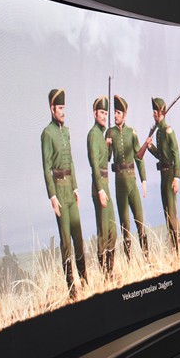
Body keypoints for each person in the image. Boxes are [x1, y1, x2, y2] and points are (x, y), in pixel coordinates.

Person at [41, 88, 87, 298]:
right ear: (52, 109)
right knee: (66, 241)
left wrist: (75, 187)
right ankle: (71, 289)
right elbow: (46, 167)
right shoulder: (47, 134)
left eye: (64, 108)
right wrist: (52, 196)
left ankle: (85, 281)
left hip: (70, 189)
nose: (63, 111)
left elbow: (72, 162)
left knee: (78, 236)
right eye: (60, 108)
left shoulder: (66, 131)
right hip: (59, 190)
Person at [107, 95, 149, 260]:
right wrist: (107, 145)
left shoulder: (132, 133)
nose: (115, 115)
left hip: (132, 181)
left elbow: (139, 157)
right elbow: (107, 158)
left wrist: (143, 180)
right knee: (125, 225)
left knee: (140, 220)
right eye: (115, 112)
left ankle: (146, 257)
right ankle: (129, 260)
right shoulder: (110, 133)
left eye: (118, 113)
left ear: (124, 115)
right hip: (120, 184)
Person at [146, 97, 180, 252]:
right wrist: (150, 147)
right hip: (163, 176)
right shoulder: (159, 132)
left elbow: (176, 155)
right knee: (166, 212)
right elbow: (161, 155)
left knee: (172, 213)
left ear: (160, 112)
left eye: (155, 111)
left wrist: (176, 178)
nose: (153, 114)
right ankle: (173, 246)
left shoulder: (167, 131)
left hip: (170, 174)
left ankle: (178, 248)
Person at [87, 96, 116, 280]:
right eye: (101, 113)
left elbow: (106, 160)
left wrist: (109, 146)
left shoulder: (102, 136)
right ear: (94, 113)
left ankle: (110, 273)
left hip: (106, 184)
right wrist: (100, 190)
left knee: (113, 230)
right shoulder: (93, 135)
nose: (104, 116)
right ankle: (105, 275)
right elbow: (95, 165)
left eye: (106, 113)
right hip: (99, 186)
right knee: (103, 231)